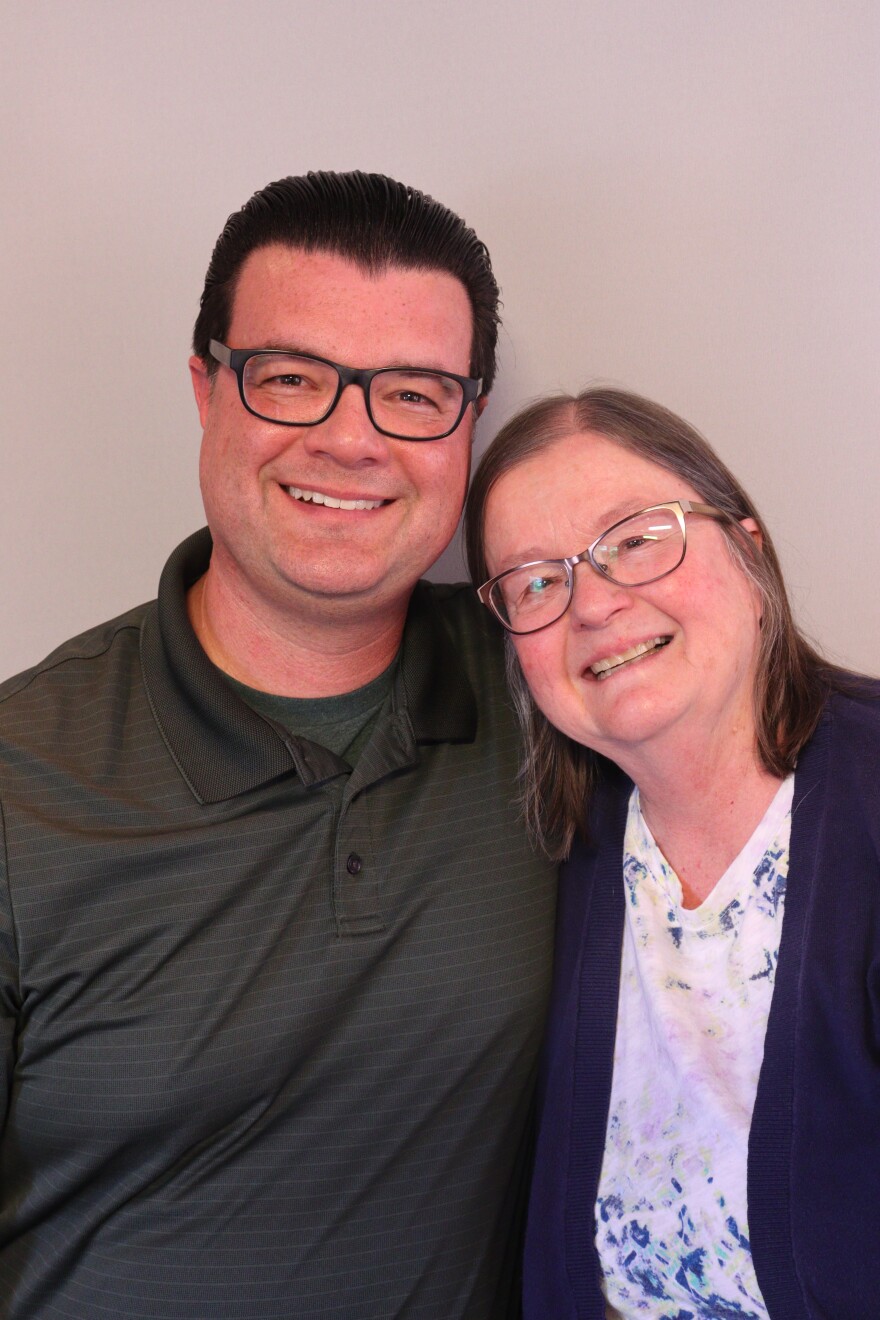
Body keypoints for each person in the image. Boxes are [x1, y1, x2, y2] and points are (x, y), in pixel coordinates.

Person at [0, 172, 556, 1320]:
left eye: (412, 393)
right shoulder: (22, 785)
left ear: (467, 425)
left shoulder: (557, 702)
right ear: (207, 391)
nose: (350, 439)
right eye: (293, 379)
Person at [465, 387, 880, 1320]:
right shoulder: (557, 851)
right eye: (534, 580)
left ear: (747, 545)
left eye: (637, 538)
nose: (595, 604)